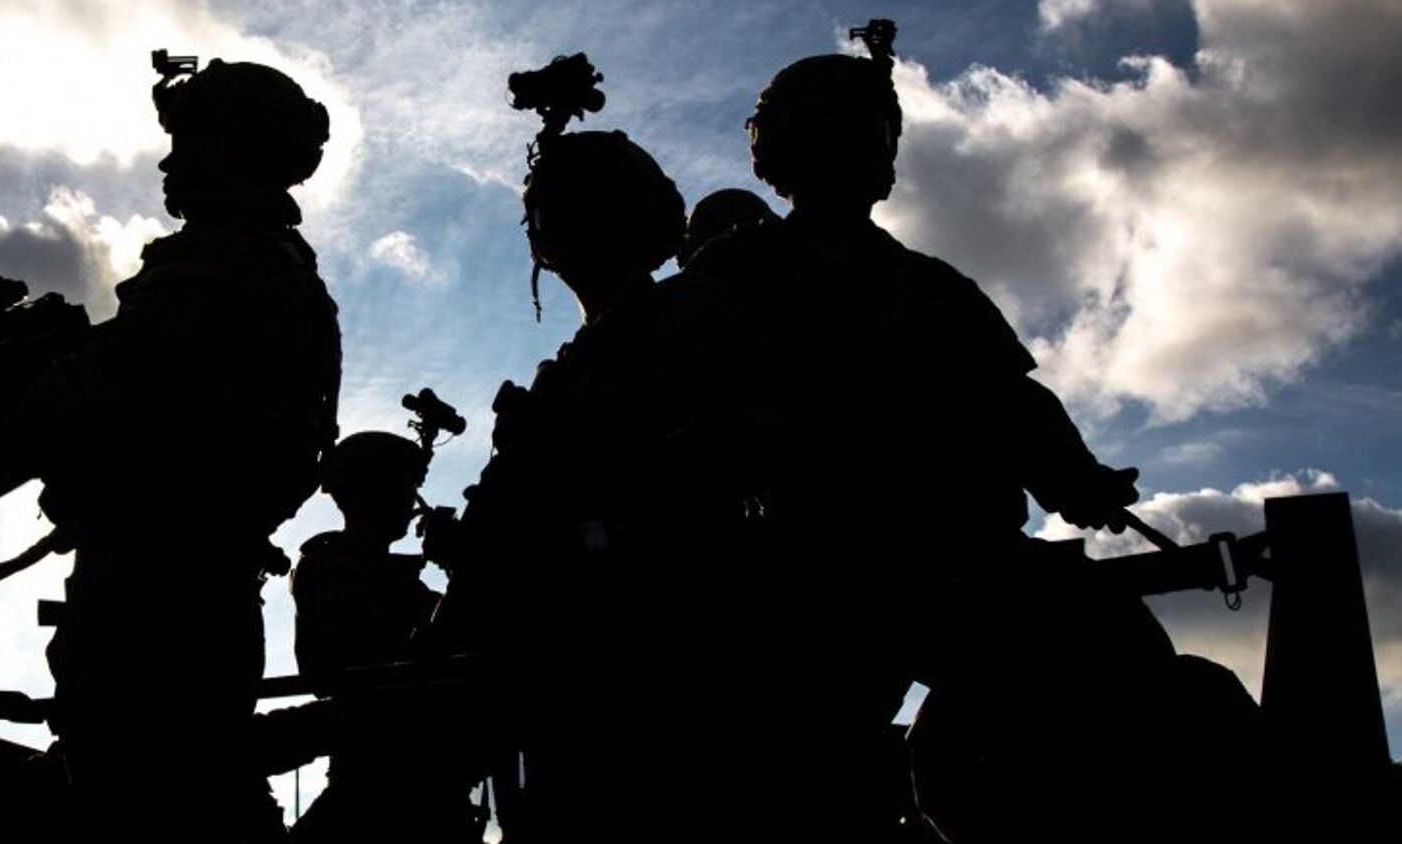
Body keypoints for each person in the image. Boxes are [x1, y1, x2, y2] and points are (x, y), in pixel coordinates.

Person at [689, 21, 1254, 841]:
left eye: (881, 137)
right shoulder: (732, 279)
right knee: (801, 762)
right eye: (849, 133)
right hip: (809, 567)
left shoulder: (934, 288)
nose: (872, 152)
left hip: (966, 558)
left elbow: (1016, 400)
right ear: (788, 150)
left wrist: (1076, 475)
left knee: (1120, 651)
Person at [0, 55, 341, 844]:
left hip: (158, 594)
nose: (170, 161)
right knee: (190, 795)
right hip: (190, 586)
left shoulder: (220, 266)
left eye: (191, 139)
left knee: (145, 799)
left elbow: (106, 389)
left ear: (239, 145)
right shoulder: (269, 269)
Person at [429, 126, 771, 844]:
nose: (554, 224)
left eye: (581, 203)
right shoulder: (566, 368)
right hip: (562, 662)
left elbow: (724, 450)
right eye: (546, 208)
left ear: (636, 215)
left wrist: (568, 502)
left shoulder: (691, 311)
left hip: (665, 653)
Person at [286, 431, 480, 844]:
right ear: (370, 493)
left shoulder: (386, 576)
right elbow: (393, 671)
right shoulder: (333, 567)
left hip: (411, 771)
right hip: (381, 774)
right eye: (402, 487)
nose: (411, 503)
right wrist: (465, 574)